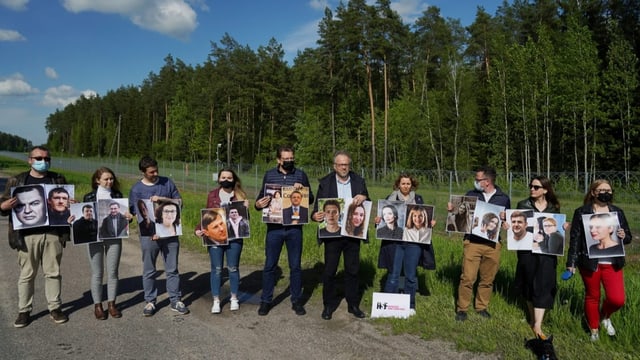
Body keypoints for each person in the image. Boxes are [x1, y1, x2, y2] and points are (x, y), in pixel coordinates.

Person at [0, 146, 70, 327]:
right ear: (30, 160)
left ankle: (55, 307)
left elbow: (65, 203)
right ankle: (24, 310)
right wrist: (3, 206)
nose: (43, 161)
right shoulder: (17, 180)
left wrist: (71, 205)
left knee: (53, 273)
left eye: (46, 158)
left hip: (53, 234)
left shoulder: (58, 179)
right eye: (38, 158)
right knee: (27, 274)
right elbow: (3, 202)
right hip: (26, 235)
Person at [567, 179, 632, 341]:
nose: (606, 193)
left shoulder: (617, 212)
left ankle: (604, 315)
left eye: (609, 190)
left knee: (617, 299)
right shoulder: (582, 212)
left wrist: (624, 236)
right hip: (590, 263)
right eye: (602, 190)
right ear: (593, 192)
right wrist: (571, 262)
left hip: (613, 263)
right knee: (592, 296)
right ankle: (594, 330)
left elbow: (628, 237)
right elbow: (575, 239)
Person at [254, 146, 314, 316]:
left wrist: (301, 189)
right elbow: (261, 198)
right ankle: (266, 301)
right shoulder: (269, 175)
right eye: (285, 159)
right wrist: (257, 205)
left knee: (295, 266)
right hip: (274, 229)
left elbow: (310, 199)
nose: (289, 161)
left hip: (294, 229)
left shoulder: (301, 175)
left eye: (291, 158)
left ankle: (296, 301)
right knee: (270, 265)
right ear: (278, 160)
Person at [312, 150, 369, 320]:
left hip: (352, 234)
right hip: (333, 234)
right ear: (334, 166)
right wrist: (315, 215)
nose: (344, 167)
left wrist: (364, 196)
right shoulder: (325, 183)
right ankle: (328, 305)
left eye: (347, 164)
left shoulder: (359, 181)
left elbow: (367, 202)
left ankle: (353, 305)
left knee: (352, 270)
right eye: (341, 164)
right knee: (330, 271)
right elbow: (317, 209)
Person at [129, 155, 189, 316]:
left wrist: (162, 199)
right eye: (151, 172)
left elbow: (179, 202)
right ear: (143, 172)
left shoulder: (167, 183)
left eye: (156, 170)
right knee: (149, 270)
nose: (155, 174)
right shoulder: (136, 189)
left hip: (170, 234)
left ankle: (175, 300)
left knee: (172, 269)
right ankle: (150, 301)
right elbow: (136, 214)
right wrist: (152, 232)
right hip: (149, 236)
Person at [452, 166, 510, 321]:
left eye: (478, 180)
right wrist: (453, 210)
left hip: (493, 245)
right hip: (473, 242)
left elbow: (506, 221)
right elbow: (461, 215)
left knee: (487, 279)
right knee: (467, 277)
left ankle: (481, 307)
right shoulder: (471, 195)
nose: (475, 182)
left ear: (487, 181)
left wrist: (506, 222)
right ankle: (462, 308)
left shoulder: (503, 198)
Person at [515, 176, 564, 339]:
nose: (532, 189)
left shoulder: (554, 207)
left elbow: (556, 228)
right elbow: (518, 224)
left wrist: (564, 227)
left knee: (543, 284)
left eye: (536, 187)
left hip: (547, 254)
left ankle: (537, 324)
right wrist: (509, 225)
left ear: (545, 190)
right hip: (527, 251)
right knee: (529, 283)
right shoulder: (523, 205)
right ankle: (532, 317)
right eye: (531, 186)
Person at [79, 167, 131, 320]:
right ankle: (98, 305)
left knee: (113, 272)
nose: (109, 182)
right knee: (97, 273)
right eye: (106, 179)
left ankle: (111, 304)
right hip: (94, 239)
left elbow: (123, 218)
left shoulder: (117, 196)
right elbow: (84, 218)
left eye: (111, 179)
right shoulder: (88, 197)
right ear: (97, 180)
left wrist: (128, 218)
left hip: (114, 239)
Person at [380, 175, 435, 316]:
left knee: (411, 275)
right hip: (395, 243)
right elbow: (384, 218)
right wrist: (378, 221)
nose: (405, 186)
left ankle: (410, 305)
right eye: (403, 183)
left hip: (413, 243)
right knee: (394, 273)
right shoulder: (390, 198)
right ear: (398, 184)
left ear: (412, 185)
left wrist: (430, 223)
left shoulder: (418, 199)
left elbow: (422, 218)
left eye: (408, 183)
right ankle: (387, 304)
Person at [196, 168, 248, 314]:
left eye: (229, 177)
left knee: (233, 268)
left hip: (234, 238)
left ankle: (234, 298)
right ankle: (216, 300)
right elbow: (207, 215)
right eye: (223, 177)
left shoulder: (240, 195)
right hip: (215, 239)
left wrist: (246, 209)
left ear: (234, 179)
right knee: (217, 269)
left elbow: (244, 219)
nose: (226, 179)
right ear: (218, 179)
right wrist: (198, 229)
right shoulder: (212, 194)